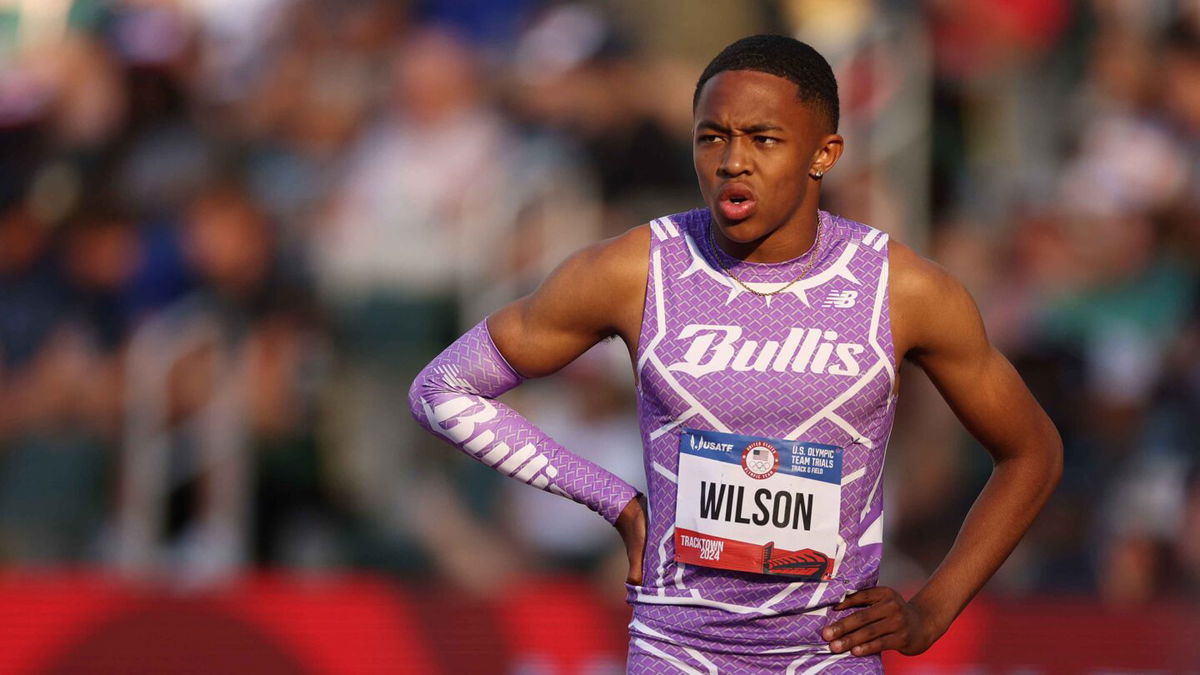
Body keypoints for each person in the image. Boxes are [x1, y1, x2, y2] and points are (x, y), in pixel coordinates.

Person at [409, 34, 1062, 672]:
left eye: (764, 138)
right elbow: (442, 387)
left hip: (827, 658)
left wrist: (931, 612)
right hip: (677, 651)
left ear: (823, 153)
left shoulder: (904, 289)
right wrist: (617, 501)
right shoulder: (636, 270)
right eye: (711, 136)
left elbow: (1032, 452)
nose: (732, 161)